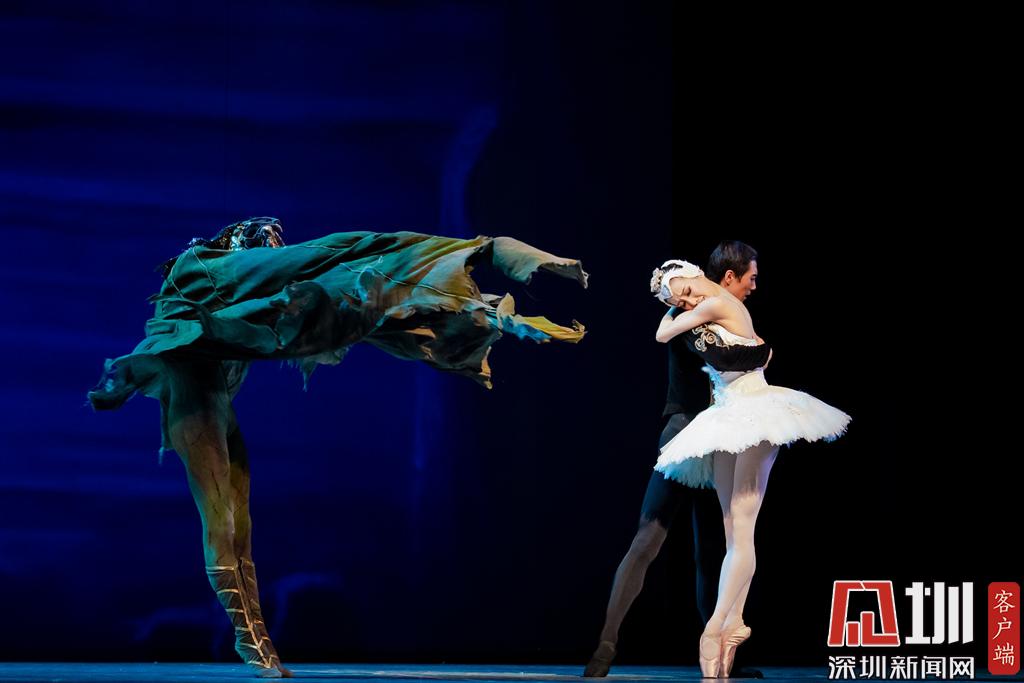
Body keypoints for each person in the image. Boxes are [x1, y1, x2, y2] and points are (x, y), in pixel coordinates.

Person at [88, 217, 588, 678]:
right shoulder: (203, 271)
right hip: (194, 402)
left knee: (241, 520)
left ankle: (255, 640)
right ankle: (251, 642)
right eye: (265, 253)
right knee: (222, 517)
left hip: (211, 395)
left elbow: (339, 296)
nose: (271, 261)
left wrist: (482, 311)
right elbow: (320, 259)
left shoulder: (235, 295)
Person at [650, 258, 850, 677]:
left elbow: (663, 333)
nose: (687, 302)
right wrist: (677, 299)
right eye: (679, 300)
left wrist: (676, 307)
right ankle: (733, 624)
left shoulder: (716, 302)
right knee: (734, 536)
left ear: (697, 276)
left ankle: (714, 627)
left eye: (685, 292)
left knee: (741, 529)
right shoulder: (707, 308)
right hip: (727, 415)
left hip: (758, 412)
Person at [584, 242, 764, 677]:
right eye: (678, 294)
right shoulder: (687, 318)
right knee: (649, 539)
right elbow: (719, 356)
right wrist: (762, 352)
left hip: (720, 438)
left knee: (712, 549)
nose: (752, 287)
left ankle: (721, 655)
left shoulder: (720, 312)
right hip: (686, 434)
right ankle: (605, 645)